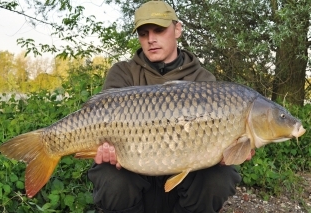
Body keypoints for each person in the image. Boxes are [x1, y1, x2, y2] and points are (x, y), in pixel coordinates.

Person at [88, 1, 254, 212]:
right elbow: (99, 119)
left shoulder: (202, 80)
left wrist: (229, 152)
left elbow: (225, 145)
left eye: (159, 30)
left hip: (185, 183)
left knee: (219, 177)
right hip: (134, 172)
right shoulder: (123, 73)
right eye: (144, 33)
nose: (151, 40)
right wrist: (106, 150)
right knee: (110, 177)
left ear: (177, 29)